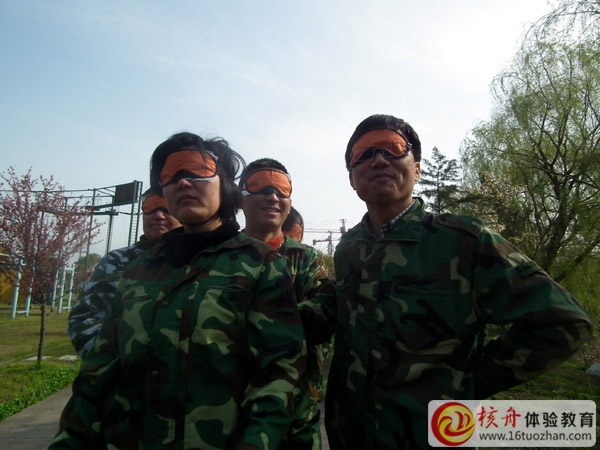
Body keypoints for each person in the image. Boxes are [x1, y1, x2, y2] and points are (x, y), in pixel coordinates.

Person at [324, 114, 594, 450]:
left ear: (417, 169)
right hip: (349, 436)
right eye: (364, 153)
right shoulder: (349, 249)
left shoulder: (464, 242)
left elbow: (564, 321)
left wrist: (467, 384)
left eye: (393, 149)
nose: (379, 159)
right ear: (352, 178)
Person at [50, 132, 306, 450]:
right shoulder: (137, 272)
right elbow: (97, 376)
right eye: (169, 176)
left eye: (197, 170)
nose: (182, 182)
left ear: (226, 184)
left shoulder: (262, 266)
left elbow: (279, 374)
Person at [239, 158, 335, 450]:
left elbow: (324, 316)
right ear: (240, 198)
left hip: (299, 415)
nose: (272, 196)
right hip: (230, 413)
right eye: (260, 187)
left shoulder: (307, 259)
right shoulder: (220, 257)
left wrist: (248, 316)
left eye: (282, 190)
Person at [68, 189, 181, 358]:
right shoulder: (115, 262)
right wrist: (106, 363)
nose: (158, 215)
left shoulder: (200, 260)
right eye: (150, 207)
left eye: (166, 207)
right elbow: (84, 316)